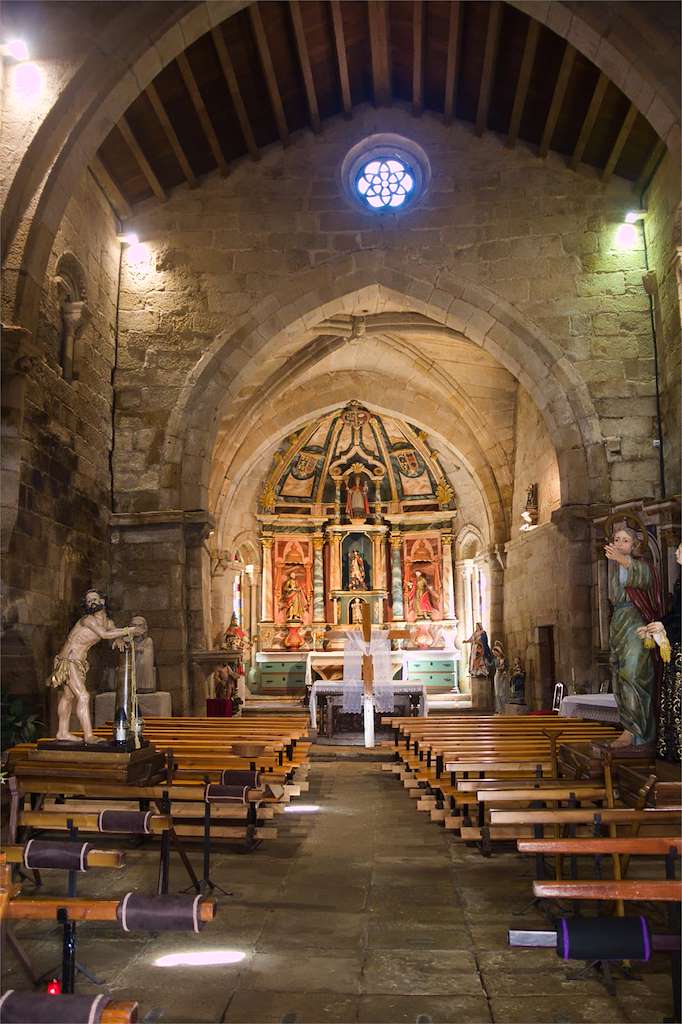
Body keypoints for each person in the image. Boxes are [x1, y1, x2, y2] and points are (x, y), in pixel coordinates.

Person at [48, 590, 143, 743]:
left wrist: (118, 639)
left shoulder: (108, 622)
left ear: (103, 602)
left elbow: (111, 632)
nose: (91, 602)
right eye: (88, 601)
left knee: (68, 696)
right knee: (83, 696)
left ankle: (62, 732)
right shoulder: (88, 620)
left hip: (79, 662)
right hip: (68, 659)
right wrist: (130, 630)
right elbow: (104, 635)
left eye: (94, 599)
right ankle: (89, 735)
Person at [605, 526, 655, 748]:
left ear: (634, 546)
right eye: (616, 539)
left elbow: (645, 579)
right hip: (618, 622)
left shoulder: (642, 566)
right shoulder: (614, 570)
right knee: (619, 676)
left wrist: (624, 561)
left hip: (635, 623)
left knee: (633, 675)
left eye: (625, 541)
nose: (619, 544)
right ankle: (628, 728)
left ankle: (638, 732)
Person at [637, 541, 681, 761]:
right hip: (677, 651)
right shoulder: (680, 582)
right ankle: (673, 750)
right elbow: (675, 616)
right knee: (672, 697)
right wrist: (654, 626)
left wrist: (663, 627)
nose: (677, 551)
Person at [492, 641, 509, 713]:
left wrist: (505, 670)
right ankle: (499, 709)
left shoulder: (505, 659)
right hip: (497, 675)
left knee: (503, 692)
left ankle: (504, 709)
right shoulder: (496, 660)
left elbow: (507, 667)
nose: (494, 654)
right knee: (497, 693)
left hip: (503, 675)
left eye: (495, 652)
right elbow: (496, 666)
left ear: (498, 651)